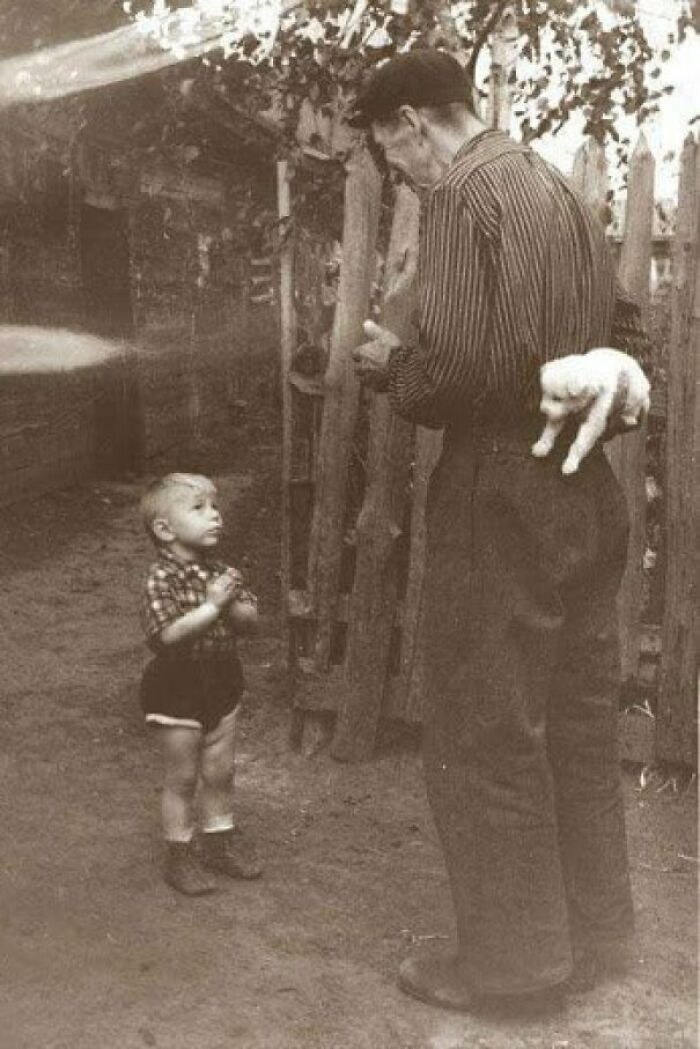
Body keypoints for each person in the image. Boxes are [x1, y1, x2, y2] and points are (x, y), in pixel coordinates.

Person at [349, 49, 651, 1012]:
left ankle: (515, 968)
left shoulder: (463, 200)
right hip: (583, 481)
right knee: (572, 719)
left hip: (502, 481)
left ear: (410, 122)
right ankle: (596, 936)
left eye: (390, 150)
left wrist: (390, 364)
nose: (397, 170)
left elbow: (468, 376)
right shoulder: (552, 186)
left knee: (486, 726)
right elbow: (617, 323)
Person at [139, 472, 262, 896]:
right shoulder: (161, 578)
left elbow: (249, 624)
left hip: (222, 679)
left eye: (216, 507)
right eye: (199, 508)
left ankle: (219, 845)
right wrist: (213, 606)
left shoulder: (223, 572)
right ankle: (179, 856)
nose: (215, 516)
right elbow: (167, 636)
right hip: (176, 687)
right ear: (164, 529)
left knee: (221, 771)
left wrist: (236, 604)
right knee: (184, 777)